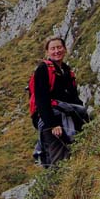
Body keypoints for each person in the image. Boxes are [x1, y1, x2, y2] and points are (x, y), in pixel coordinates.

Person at [34, 35, 87, 167]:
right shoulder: (43, 69)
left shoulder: (66, 70)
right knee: (59, 157)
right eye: (53, 48)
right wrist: (53, 124)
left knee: (76, 151)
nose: (56, 51)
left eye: (59, 47)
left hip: (69, 116)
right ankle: (58, 185)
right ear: (47, 52)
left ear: (65, 49)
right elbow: (41, 100)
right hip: (53, 121)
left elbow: (73, 98)